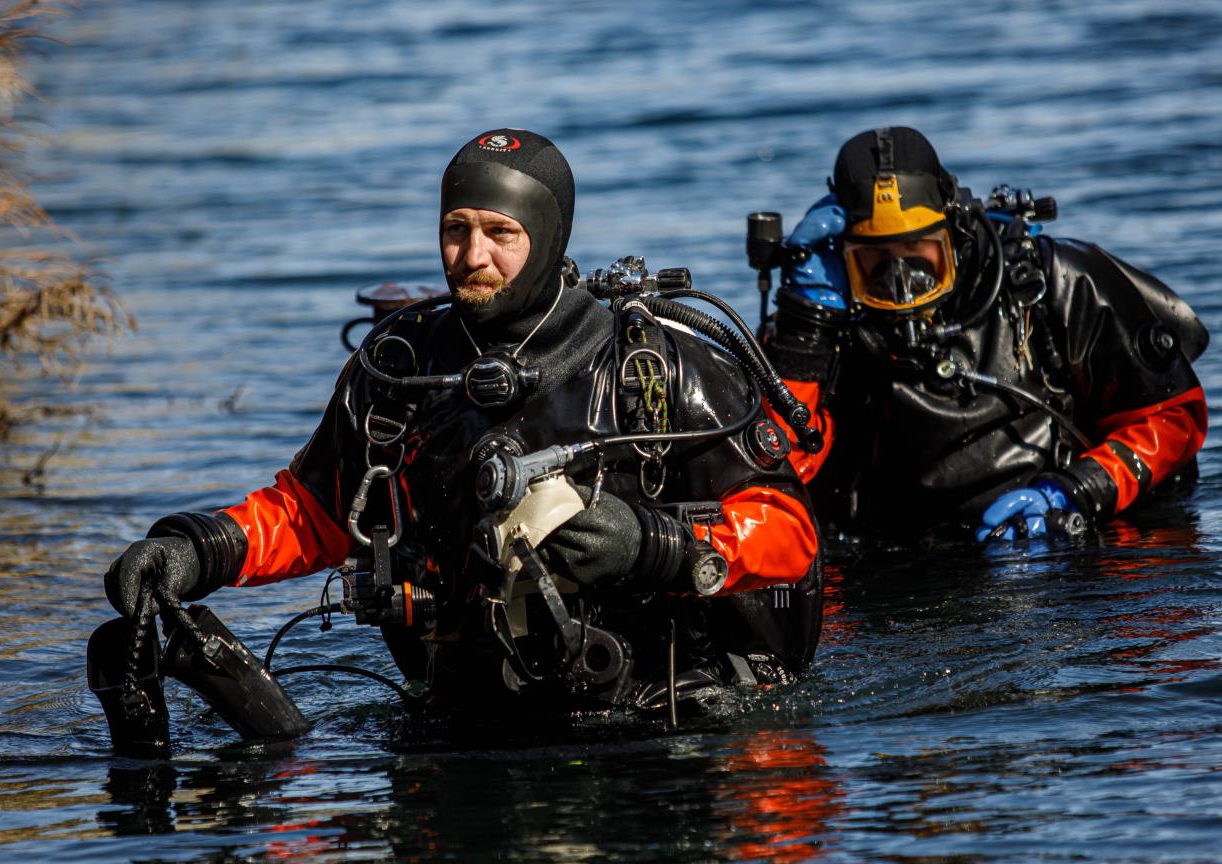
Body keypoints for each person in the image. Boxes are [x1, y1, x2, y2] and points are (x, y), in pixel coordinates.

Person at [104, 129, 821, 715]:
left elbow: (789, 530)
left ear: (548, 234)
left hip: (650, 709)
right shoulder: (401, 369)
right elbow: (313, 513)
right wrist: (199, 552)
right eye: (456, 230)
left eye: (500, 233)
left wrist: (653, 545)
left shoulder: (655, 368)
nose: (471, 257)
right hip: (468, 712)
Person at [761, 126, 1209, 545]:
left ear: (952, 233)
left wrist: (1080, 490)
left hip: (1064, 533)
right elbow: (772, 470)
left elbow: (1173, 418)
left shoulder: (1049, 284)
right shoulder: (820, 328)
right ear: (845, 259)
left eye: (920, 253)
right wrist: (806, 327)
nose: (902, 283)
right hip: (898, 553)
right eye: (875, 261)